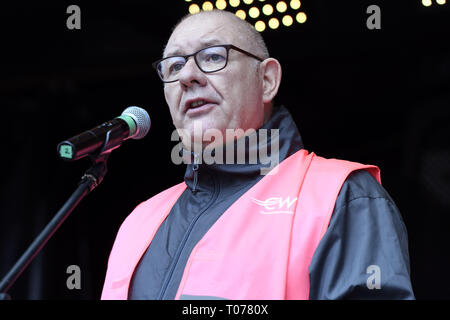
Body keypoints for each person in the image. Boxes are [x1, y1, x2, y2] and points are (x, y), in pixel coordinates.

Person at [101, 10, 415, 300]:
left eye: (212, 57)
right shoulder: (138, 222)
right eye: (174, 66)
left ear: (266, 81)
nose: (187, 77)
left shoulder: (341, 197)